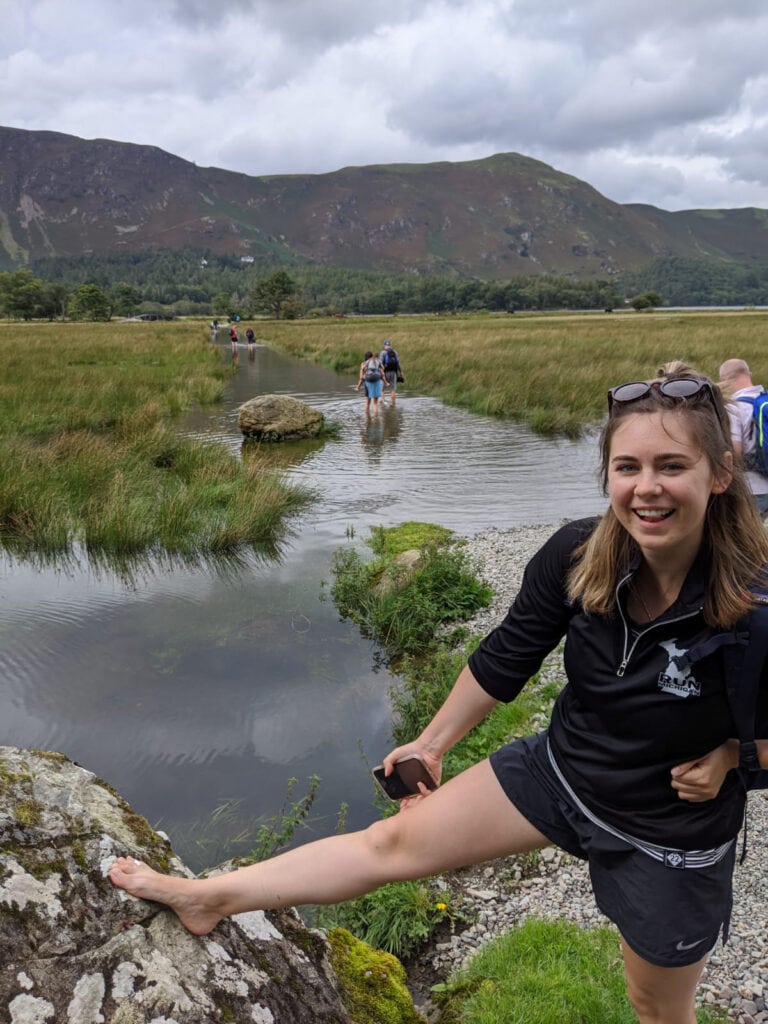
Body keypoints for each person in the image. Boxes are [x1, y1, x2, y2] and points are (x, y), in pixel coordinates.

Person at [110, 365, 768, 1024]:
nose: (647, 488)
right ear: (607, 475)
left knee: (654, 1007)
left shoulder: (755, 601)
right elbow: (506, 658)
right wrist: (431, 742)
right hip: (565, 771)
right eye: (628, 467)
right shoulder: (578, 553)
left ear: (719, 472)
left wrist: (738, 761)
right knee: (389, 845)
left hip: (667, 832)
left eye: (671, 466)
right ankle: (210, 898)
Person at [719, 358, 768, 518]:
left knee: (751, 540)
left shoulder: (734, 407)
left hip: (753, 487)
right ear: (750, 375)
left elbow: (736, 450)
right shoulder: (765, 401)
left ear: (725, 380)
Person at [355, 349, 386, 416]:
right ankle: (376, 418)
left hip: (368, 382)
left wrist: (358, 386)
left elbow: (361, 377)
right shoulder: (377, 361)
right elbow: (383, 370)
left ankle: (367, 418)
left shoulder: (364, 363)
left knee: (367, 402)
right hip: (377, 381)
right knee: (375, 402)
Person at [379, 339, 402, 406]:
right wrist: (401, 372)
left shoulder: (382, 353)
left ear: (384, 345)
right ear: (390, 345)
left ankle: (382, 404)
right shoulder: (395, 352)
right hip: (393, 373)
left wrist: (381, 372)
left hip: (385, 373)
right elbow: (398, 363)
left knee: (382, 389)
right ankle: (393, 404)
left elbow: (380, 363)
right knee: (392, 389)